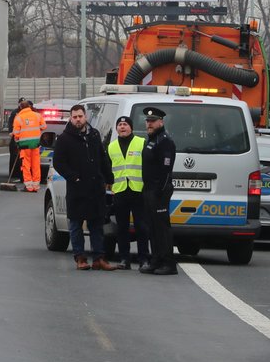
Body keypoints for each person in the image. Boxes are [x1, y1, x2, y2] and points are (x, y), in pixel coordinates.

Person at [52, 104, 115, 271]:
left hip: (95, 188)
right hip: (77, 189)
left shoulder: (94, 135)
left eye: (80, 116)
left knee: (97, 225)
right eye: (75, 117)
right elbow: (58, 162)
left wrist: (109, 178)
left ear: (85, 116)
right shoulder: (65, 138)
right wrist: (74, 177)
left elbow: (102, 158)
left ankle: (98, 258)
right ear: (71, 118)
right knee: (76, 225)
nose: (78, 119)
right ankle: (80, 258)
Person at [107, 115, 149, 270]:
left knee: (141, 227)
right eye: (120, 124)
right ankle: (125, 259)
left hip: (138, 190)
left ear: (131, 127)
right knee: (122, 227)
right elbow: (108, 168)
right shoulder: (111, 147)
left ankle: (144, 258)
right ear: (117, 128)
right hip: (120, 191)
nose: (122, 127)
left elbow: (148, 166)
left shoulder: (141, 143)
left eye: (125, 124)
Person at [140, 107, 177, 275]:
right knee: (152, 227)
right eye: (148, 121)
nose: (149, 123)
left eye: (153, 121)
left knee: (162, 228)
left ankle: (168, 263)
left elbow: (165, 170)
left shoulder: (165, 141)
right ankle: (156, 260)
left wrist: (159, 191)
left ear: (161, 122)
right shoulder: (151, 139)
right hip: (149, 190)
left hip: (159, 191)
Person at [12, 100, 46, 192]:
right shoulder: (37, 115)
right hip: (35, 144)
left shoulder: (19, 117)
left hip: (24, 145)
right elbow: (44, 126)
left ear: (21, 108)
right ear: (29, 107)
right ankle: (36, 185)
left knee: (26, 165)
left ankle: (29, 186)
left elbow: (16, 133)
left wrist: (16, 140)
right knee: (35, 164)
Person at [7, 98, 26, 180]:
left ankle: (21, 174)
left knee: (22, 158)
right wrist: (11, 132)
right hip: (16, 136)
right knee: (14, 156)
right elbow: (11, 123)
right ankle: (13, 173)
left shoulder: (26, 114)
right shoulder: (15, 113)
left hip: (24, 137)